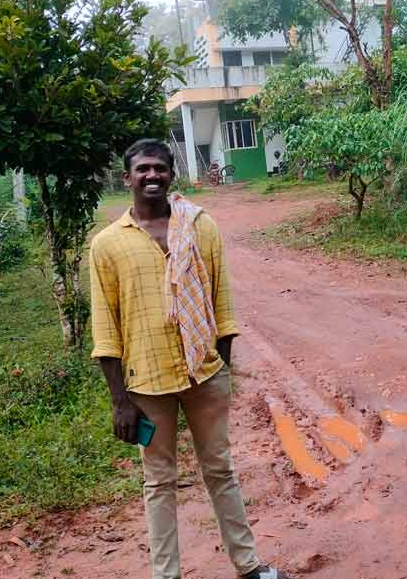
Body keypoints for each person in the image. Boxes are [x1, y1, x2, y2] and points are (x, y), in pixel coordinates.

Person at [90, 138, 287, 579]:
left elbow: (222, 303)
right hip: (147, 382)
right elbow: (106, 329)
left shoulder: (200, 226)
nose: (152, 175)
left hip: (205, 375)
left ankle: (248, 566)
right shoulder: (107, 244)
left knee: (220, 470)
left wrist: (221, 370)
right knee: (158, 482)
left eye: (159, 168)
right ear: (127, 178)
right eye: (143, 169)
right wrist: (120, 401)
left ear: (171, 174)